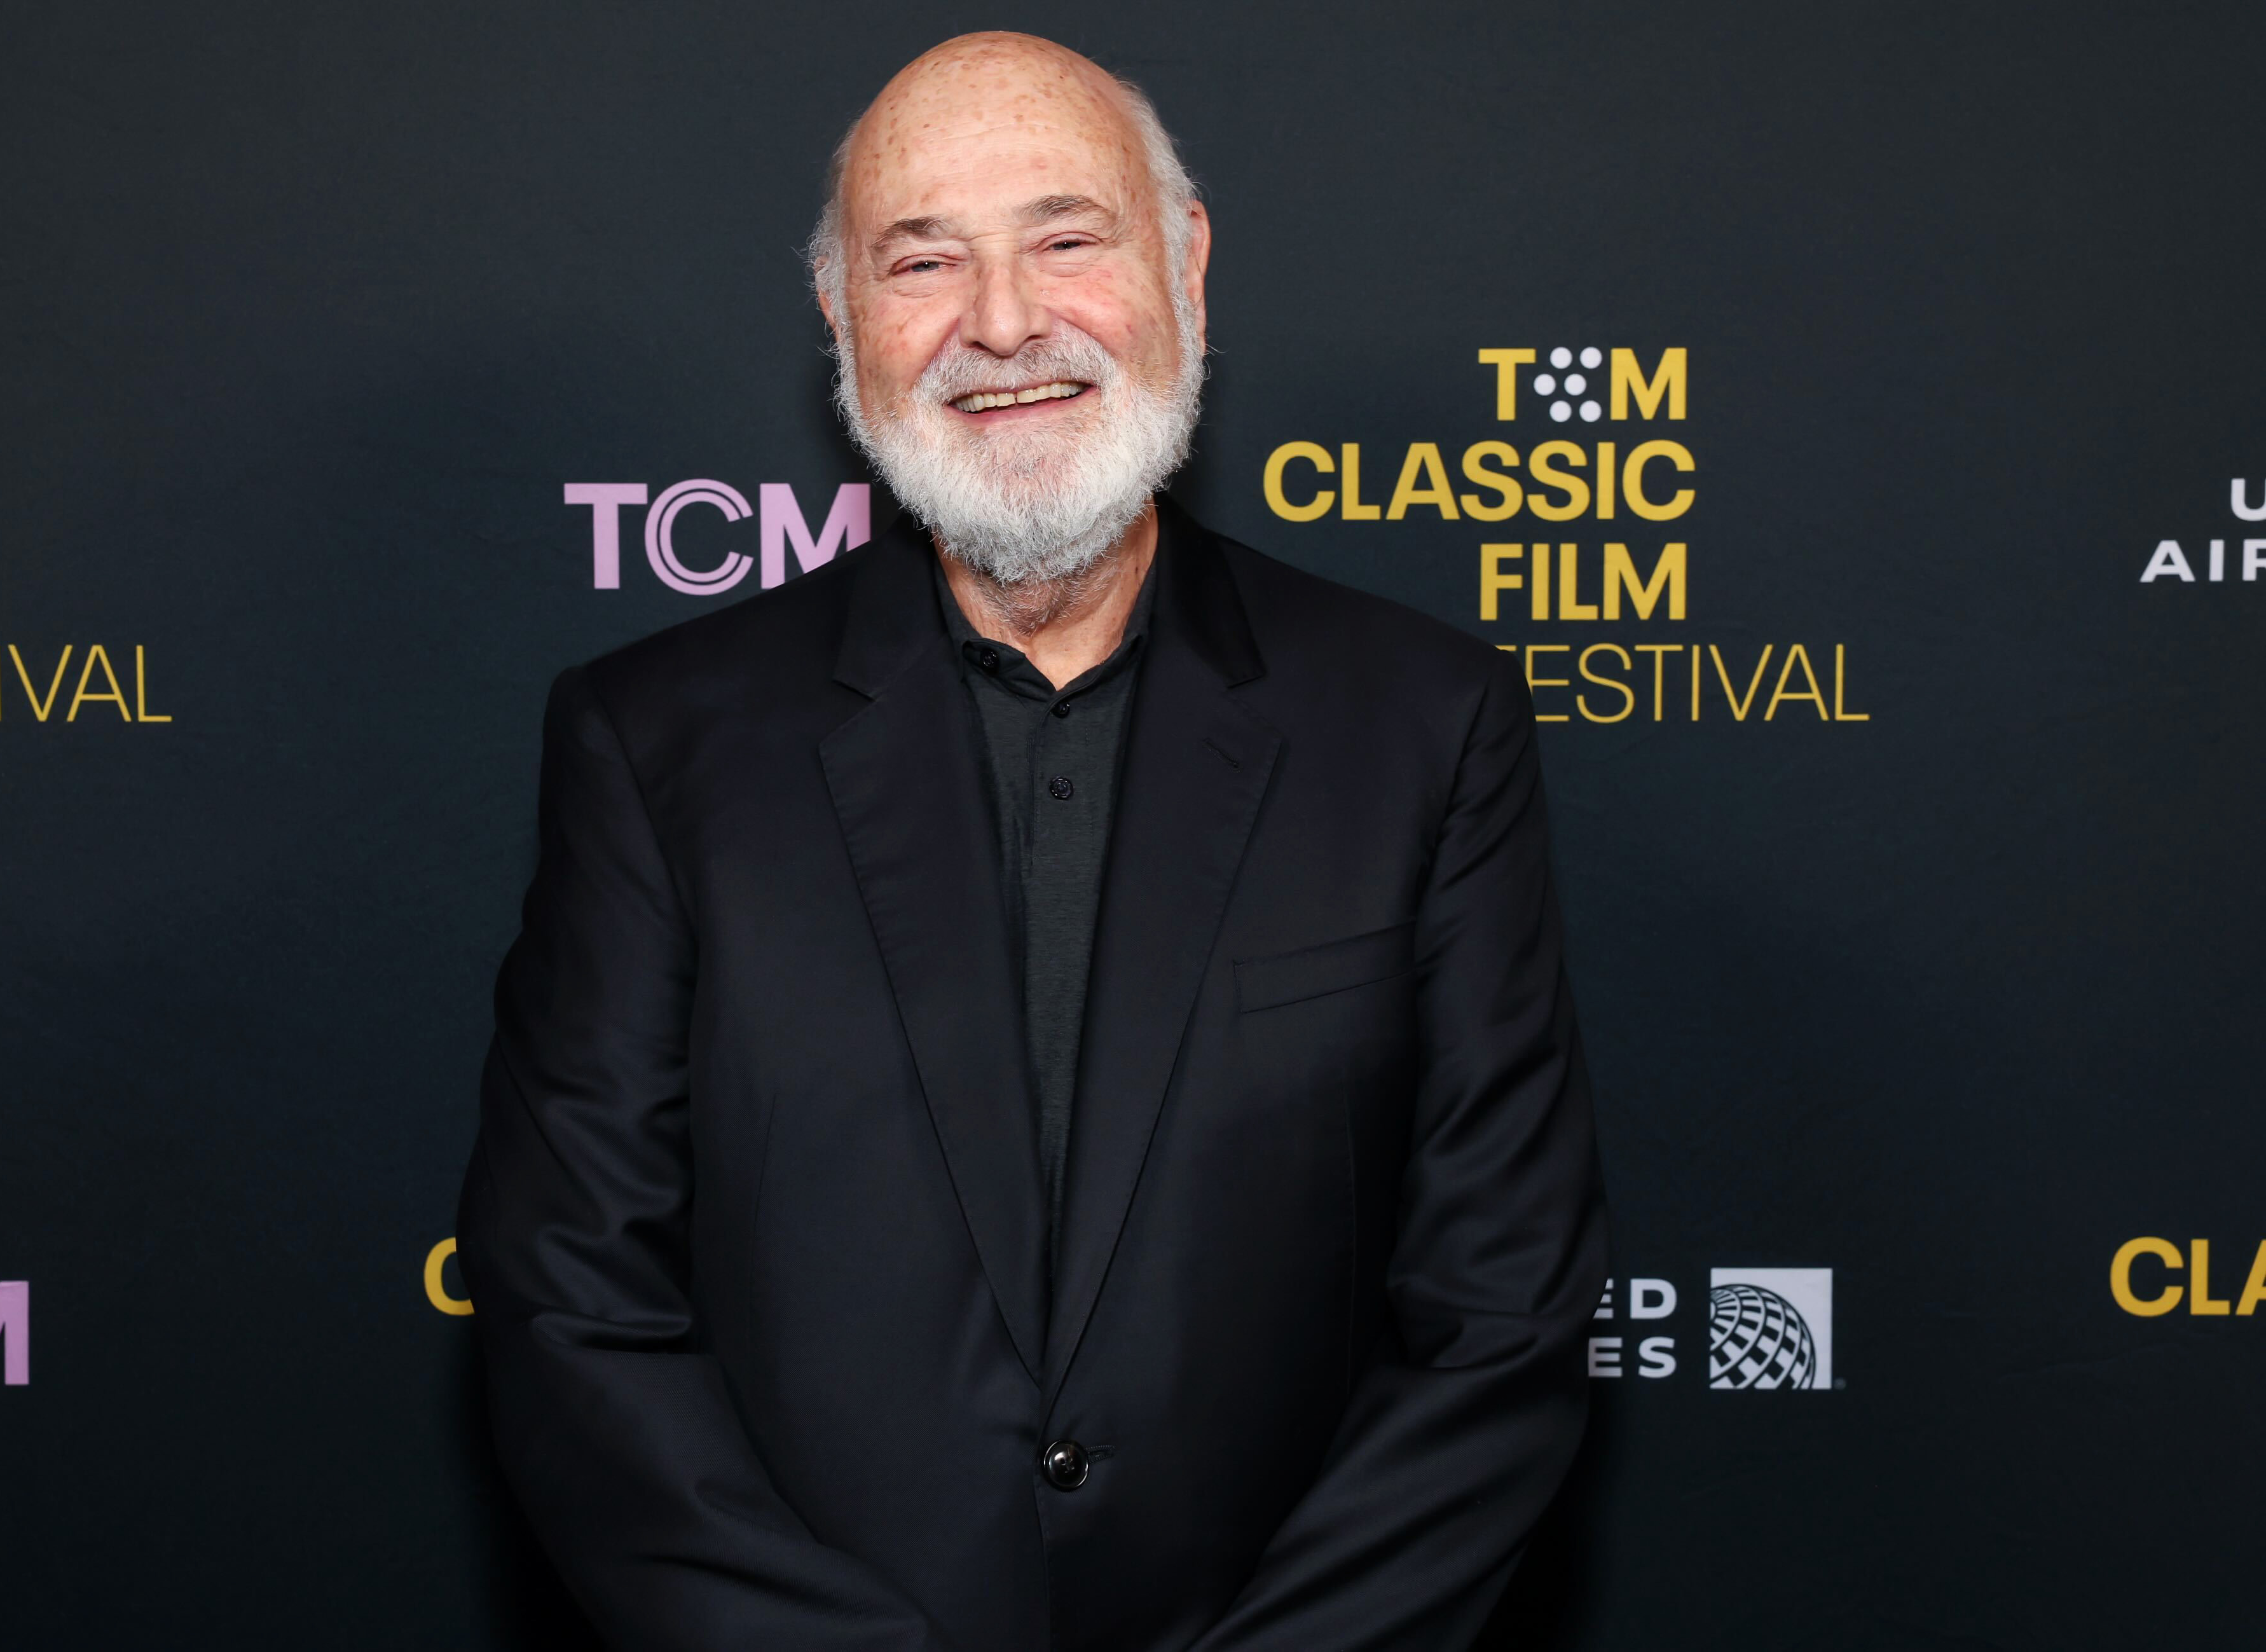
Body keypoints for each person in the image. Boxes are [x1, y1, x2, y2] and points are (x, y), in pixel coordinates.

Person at [459, 31, 1608, 1652]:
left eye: (1066, 239)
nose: (1001, 323)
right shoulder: (652, 743)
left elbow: (1499, 1316)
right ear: (842, 320)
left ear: (1183, 261)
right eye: (921, 260)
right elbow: (574, 1307)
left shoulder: (1425, 724)